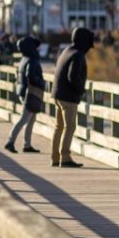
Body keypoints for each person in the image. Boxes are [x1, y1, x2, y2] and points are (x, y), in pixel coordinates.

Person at [51, 27, 95, 168]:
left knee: (59, 127)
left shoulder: (66, 51)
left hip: (57, 94)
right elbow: (73, 77)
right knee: (70, 127)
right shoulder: (77, 55)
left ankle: (55, 158)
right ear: (84, 41)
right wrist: (80, 90)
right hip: (68, 97)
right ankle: (65, 158)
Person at [5, 36, 45, 154]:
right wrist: (42, 83)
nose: (38, 49)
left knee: (31, 119)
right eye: (36, 47)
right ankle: (10, 141)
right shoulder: (32, 60)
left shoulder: (24, 59)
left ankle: (27, 145)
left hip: (23, 91)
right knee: (25, 118)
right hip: (30, 93)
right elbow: (30, 76)